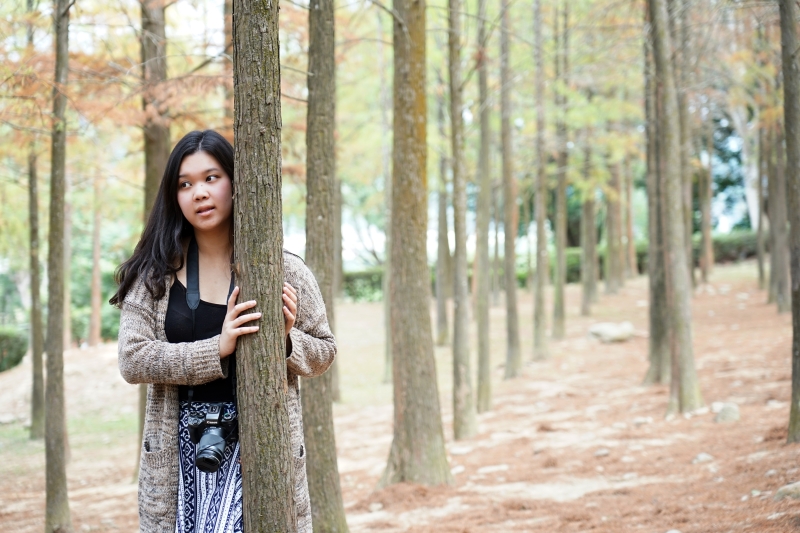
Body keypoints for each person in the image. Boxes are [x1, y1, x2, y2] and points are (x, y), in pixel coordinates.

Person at [111, 130, 335, 533]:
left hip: (260, 450)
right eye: (185, 183)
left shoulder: (286, 270)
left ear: (236, 181)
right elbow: (132, 358)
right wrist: (217, 348)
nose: (199, 193)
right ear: (174, 196)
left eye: (211, 178)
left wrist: (284, 341)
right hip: (179, 458)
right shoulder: (153, 276)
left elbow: (325, 350)